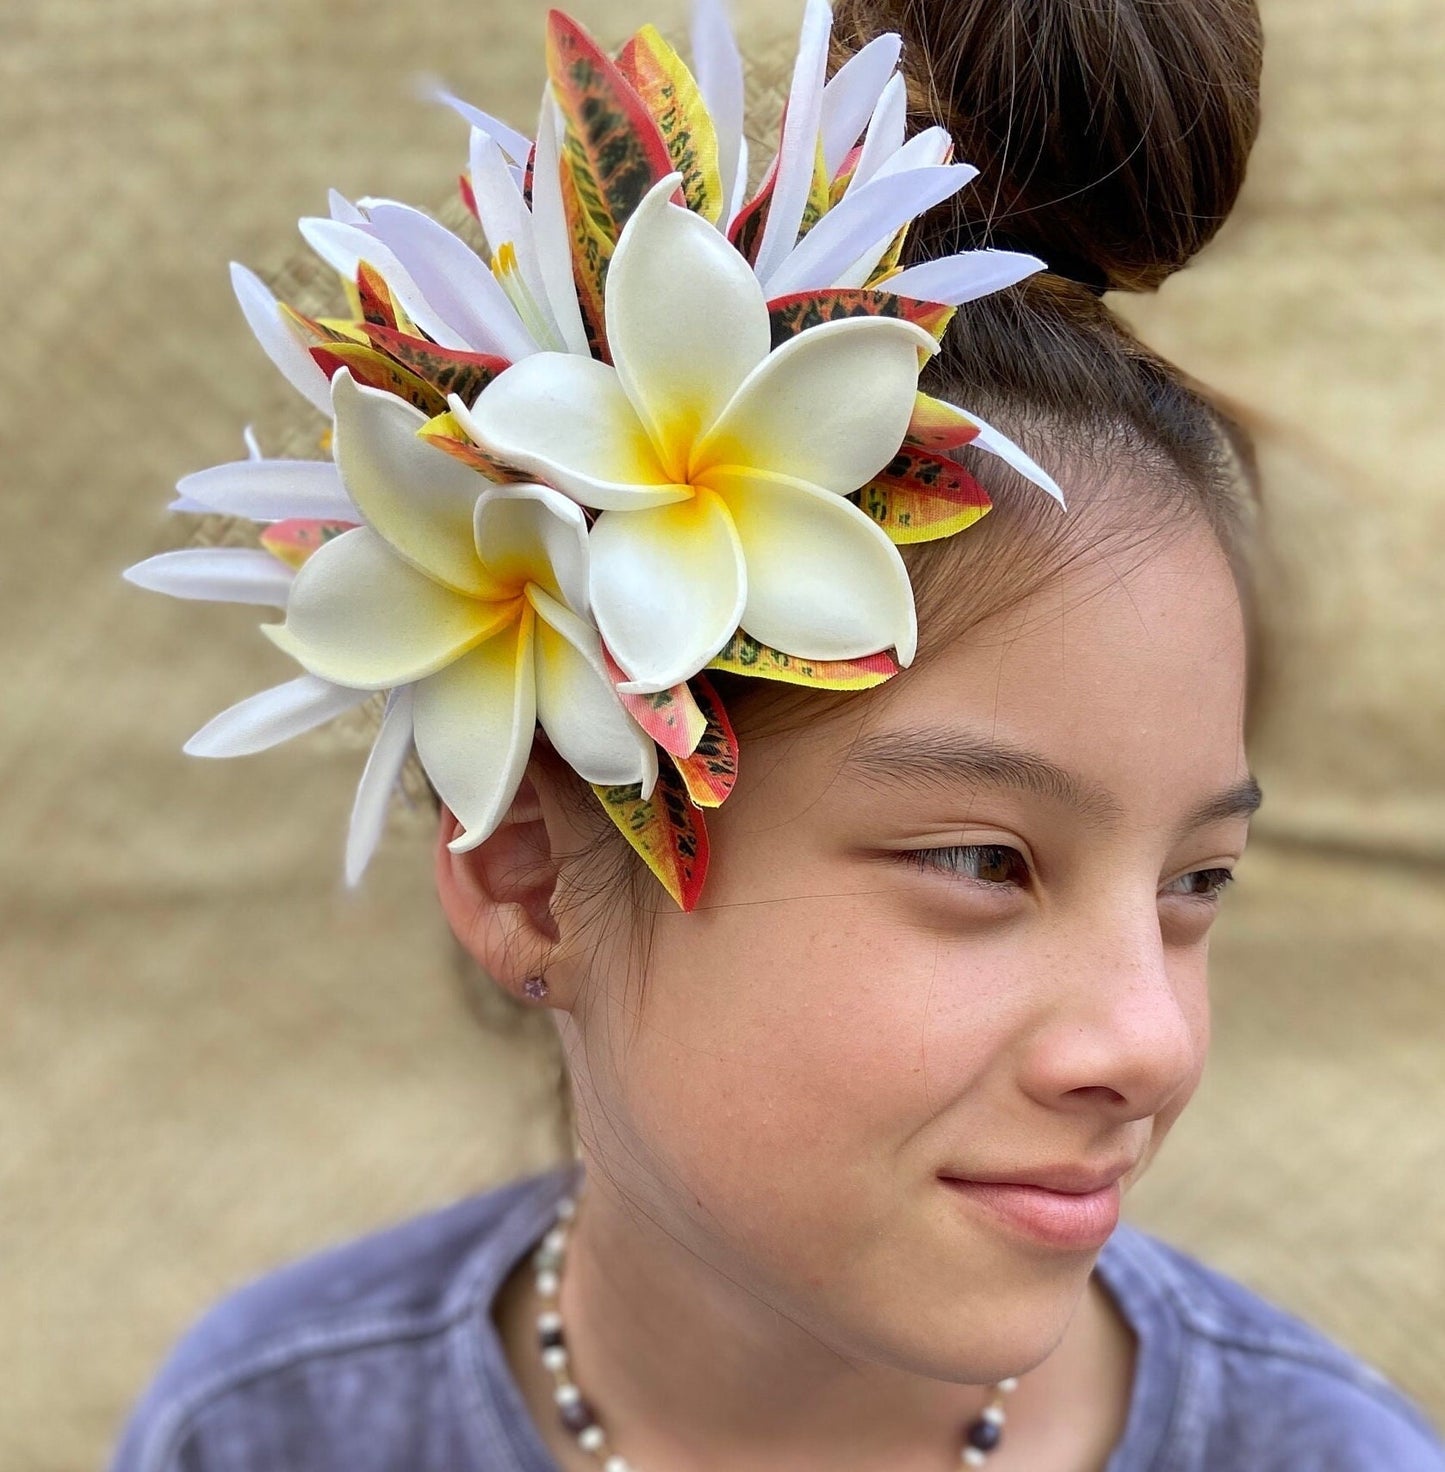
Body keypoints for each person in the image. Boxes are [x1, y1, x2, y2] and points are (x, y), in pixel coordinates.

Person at [111, 0, 1445, 1467]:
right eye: (982, 860)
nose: (1147, 1042)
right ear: (523, 873)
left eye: (1197, 881)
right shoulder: (271, 1432)